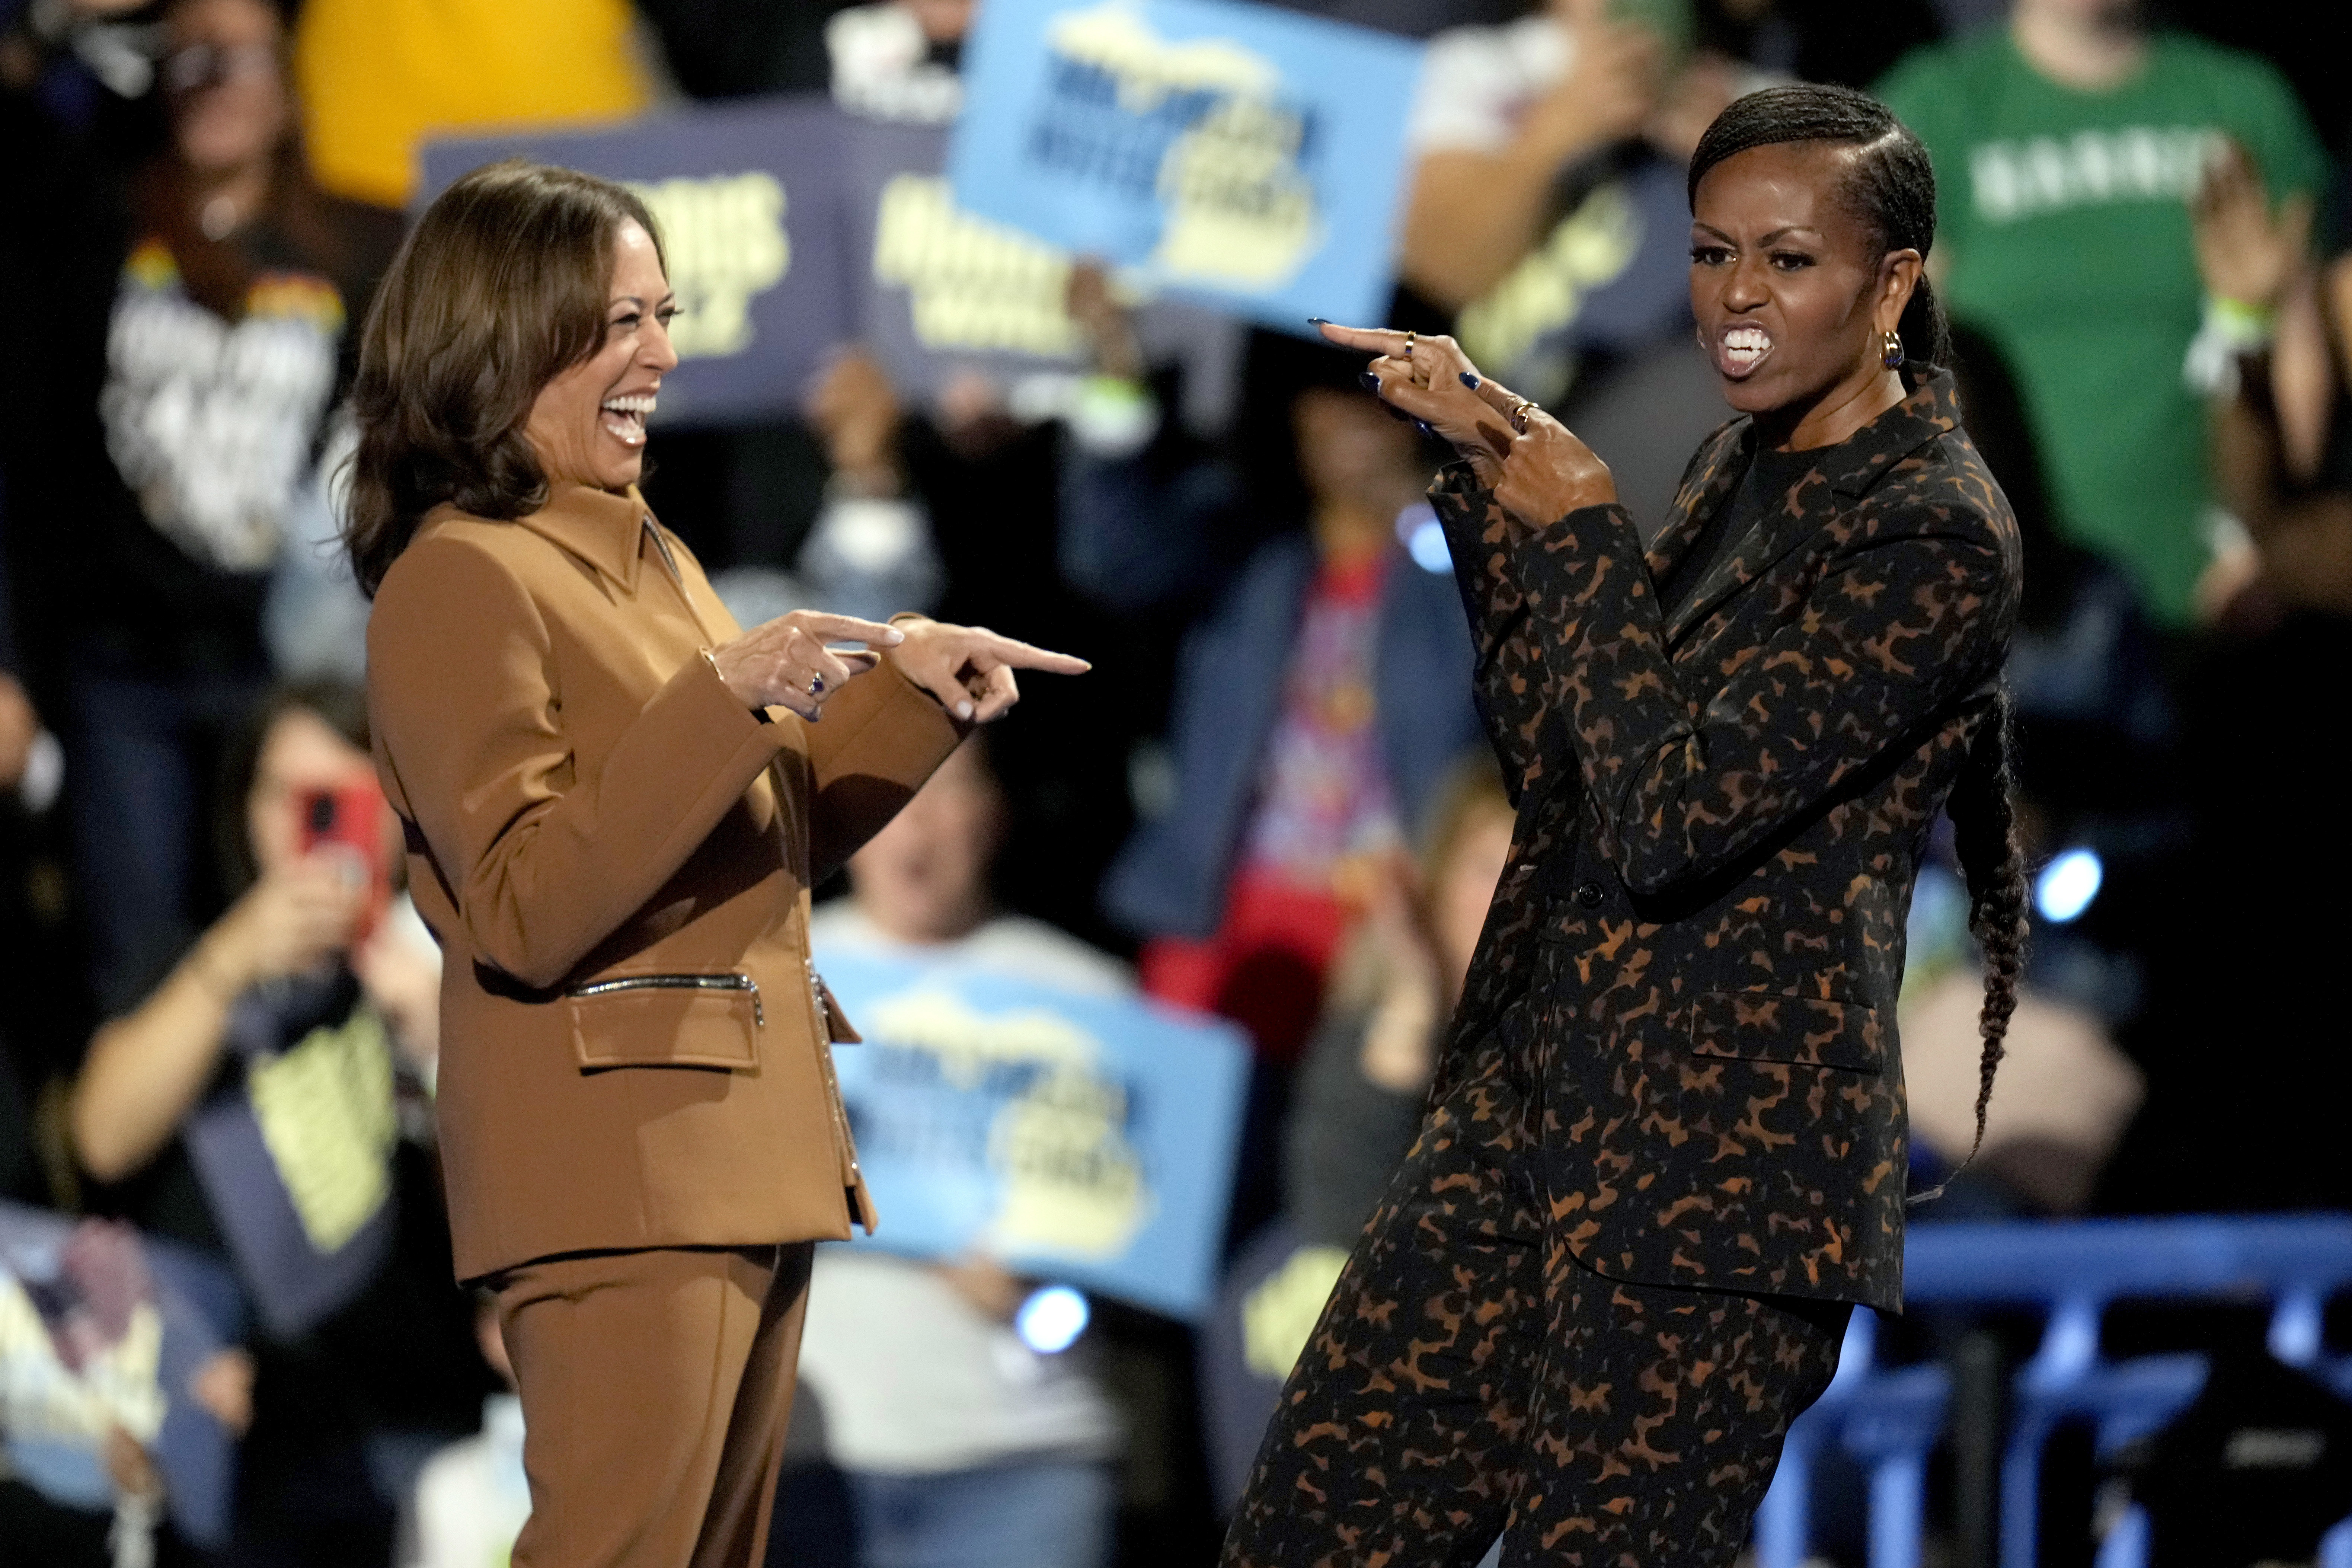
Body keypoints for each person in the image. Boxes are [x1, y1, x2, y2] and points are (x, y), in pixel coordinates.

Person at [1230, 84, 2025, 1564]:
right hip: (1537, 1108)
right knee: (1306, 1532)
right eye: (1710, 252)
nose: (1735, 297)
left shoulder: (1930, 528)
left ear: (1892, 283)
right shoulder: (1733, 472)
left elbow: (1673, 816)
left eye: (1786, 260)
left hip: (1715, 1181)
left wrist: (1585, 528)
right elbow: (1571, 771)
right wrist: (1483, 487)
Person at [350, 160, 1088, 1568]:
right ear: (506, 333)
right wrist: (721, 702)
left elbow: (758, 840)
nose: (663, 357)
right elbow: (520, 902)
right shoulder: (462, 576)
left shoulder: (656, 561)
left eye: (664, 315)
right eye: (619, 322)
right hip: (622, 1165)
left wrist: (915, 697)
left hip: (735, 1146)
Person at [4, 0, 400, 1016]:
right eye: (188, 62)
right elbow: (26, 457)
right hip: (120, 675)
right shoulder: (93, 226)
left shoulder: (359, 251)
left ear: (287, 79)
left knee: (303, 970)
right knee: (142, 975)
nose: (214, 83)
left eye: (237, 60)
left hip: (285, 680)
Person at [65, 679, 470, 1567]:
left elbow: (506, 1220)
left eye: (339, 805)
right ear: (240, 806)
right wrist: (229, 962)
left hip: (408, 1437)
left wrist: (446, 1049)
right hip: (223, 1437)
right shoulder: (186, 960)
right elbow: (101, 1135)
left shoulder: (450, 984)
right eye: (282, 796)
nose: (307, 832)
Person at [1875, 0, 2327, 629]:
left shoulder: (2241, 102)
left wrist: (2265, 549)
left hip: (2218, 606)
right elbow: (1889, 372)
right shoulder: (1933, 108)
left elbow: (2300, 365)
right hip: (2007, 613)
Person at [795, 738, 1125, 1568]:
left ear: (994, 815)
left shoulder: (1090, 998)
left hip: (1023, 1465)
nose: (916, 825)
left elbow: (1147, 1246)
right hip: (811, 1461)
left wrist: (1054, 1282)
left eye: (943, 792)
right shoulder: (771, 973)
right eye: (888, 795)